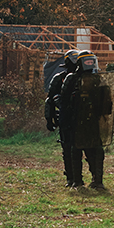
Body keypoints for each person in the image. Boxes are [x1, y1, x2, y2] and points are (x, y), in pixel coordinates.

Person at [60, 51, 113, 191]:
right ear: (80, 63)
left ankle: (98, 181)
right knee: (75, 151)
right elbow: (63, 102)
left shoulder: (98, 79)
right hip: (75, 122)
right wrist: (64, 123)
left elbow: (106, 104)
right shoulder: (71, 79)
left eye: (91, 61)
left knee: (97, 151)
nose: (89, 64)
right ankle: (77, 181)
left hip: (93, 123)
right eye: (87, 62)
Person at [44, 49, 79, 187]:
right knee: (67, 149)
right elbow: (50, 101)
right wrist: (49, 119)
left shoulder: (86, 78)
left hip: (83, 119)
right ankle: (71, 178)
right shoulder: (59, 78)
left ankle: (94, 180)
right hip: (66, 119)